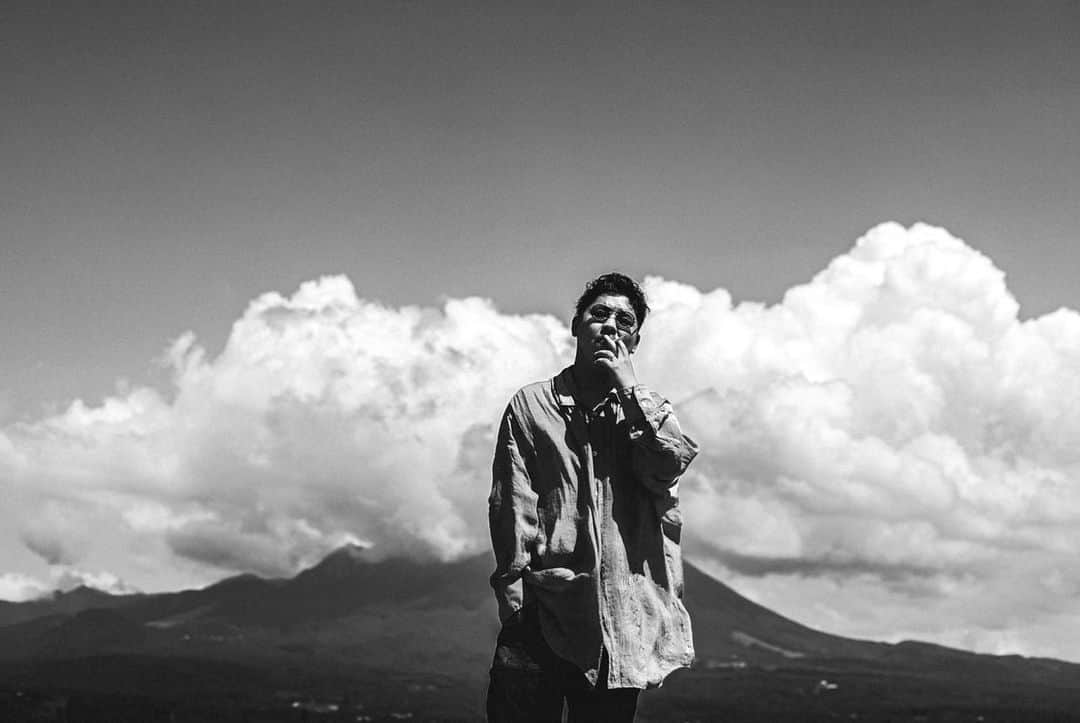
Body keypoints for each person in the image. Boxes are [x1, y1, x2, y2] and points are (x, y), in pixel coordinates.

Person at [487, 272, 699, 723]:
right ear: (576, 325)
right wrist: (512, 589)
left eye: (624, 321)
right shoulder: (531, 406)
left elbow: (667, 467)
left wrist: (629, 389)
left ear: (635, 341)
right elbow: (512, 501)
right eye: (599, 314)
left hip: (619, 618)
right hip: (541, 606)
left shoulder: (647, 413)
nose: (610, 326)